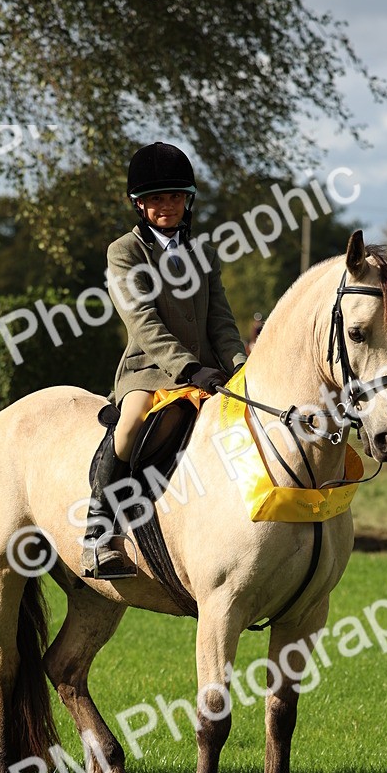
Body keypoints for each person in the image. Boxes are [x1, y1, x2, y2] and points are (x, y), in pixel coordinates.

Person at [82, 141, 247, 579]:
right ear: (140, 205)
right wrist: (188, 368)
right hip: (150, 371)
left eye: (174, 197)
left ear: (187, 200)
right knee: (132, 422)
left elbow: (221, 320)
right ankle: (98, 532)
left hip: (209, 373)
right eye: (157, 199)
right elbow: (143, 321)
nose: (167, 206)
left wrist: (240, 367)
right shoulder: (125, 252)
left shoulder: (204, 253)